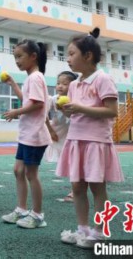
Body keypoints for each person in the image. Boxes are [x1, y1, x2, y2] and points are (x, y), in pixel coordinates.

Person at [57, 28, 123, 249]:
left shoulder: (103, 79)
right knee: (77, 187)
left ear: (88, 56)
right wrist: (69, 111)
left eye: (71, 54)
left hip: (96, 142)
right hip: (76, 140)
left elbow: (112, 111)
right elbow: (77, 113)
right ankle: (83, 229)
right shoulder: (74, 84)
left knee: (97, 187)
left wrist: (80, 108)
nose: (68, 59)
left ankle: (99, 232)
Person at [1, 40, 51, 229]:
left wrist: (16, 112)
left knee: (31, 174)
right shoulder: (31, 78)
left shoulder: (36, 77)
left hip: (35, 134)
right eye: (15, 57)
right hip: (28, 134)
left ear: (33, 56)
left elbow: (37, 104)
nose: (17, 61)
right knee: (18, 171)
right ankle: (21, 210)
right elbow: (28, 100)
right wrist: (13, 83)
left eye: (20, 56)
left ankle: (37, 215)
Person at [45, 71, 77, 202]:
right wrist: (50, 131)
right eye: (58, 83)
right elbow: (44, 115)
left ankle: (74, 190)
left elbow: (75, 118)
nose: (60, 86)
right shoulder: (53, 99)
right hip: (57, 132)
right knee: (66, 161)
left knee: (73, 161)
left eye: (65, 84)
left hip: (71, 134)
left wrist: (64, 108)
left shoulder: (75, 100)